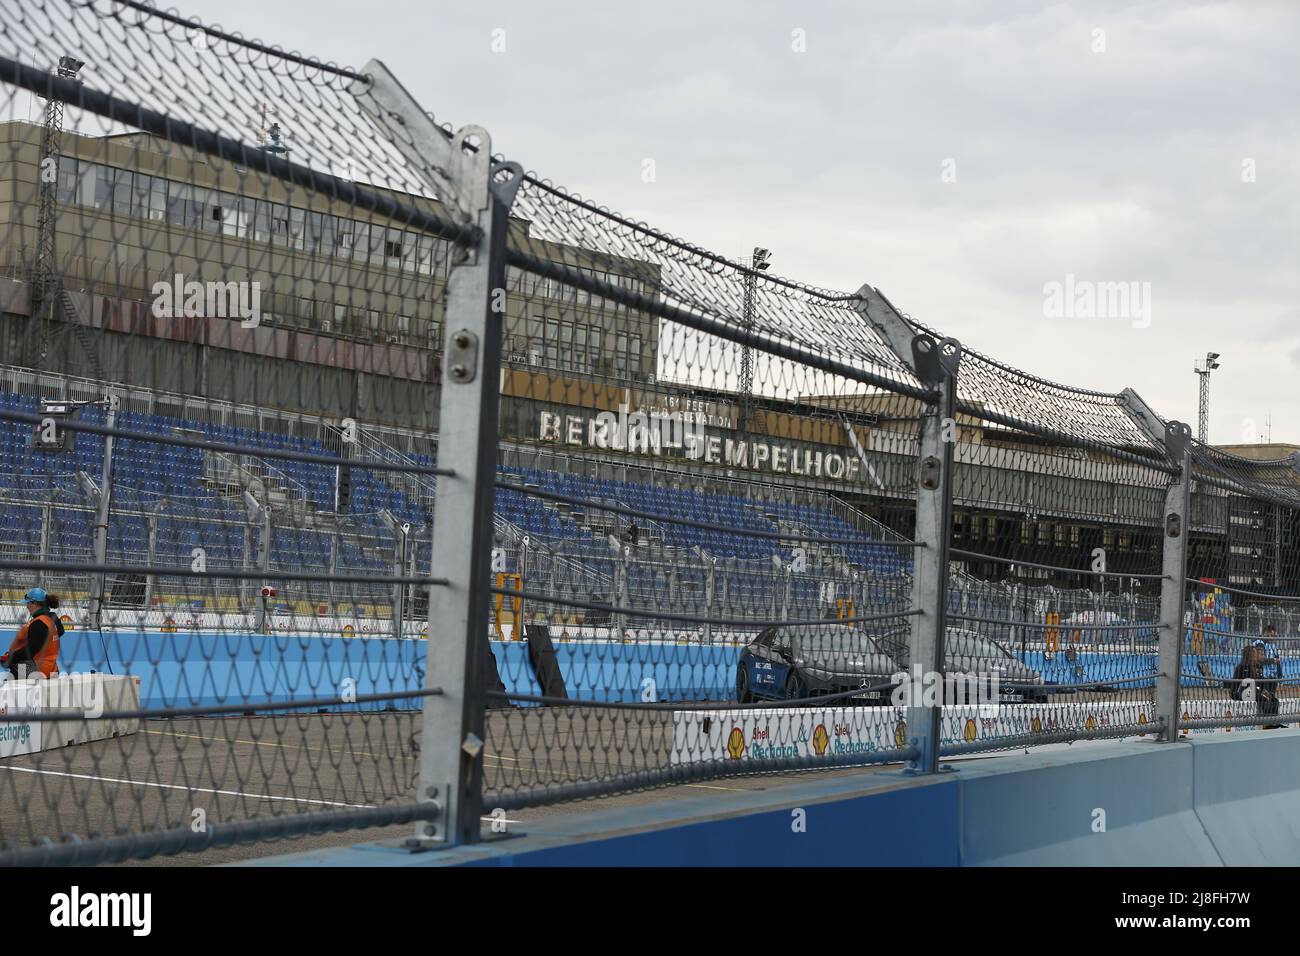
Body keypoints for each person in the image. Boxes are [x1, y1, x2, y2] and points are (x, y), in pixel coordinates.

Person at [2, 587, 64, 680]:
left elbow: (30, 651)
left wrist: (10, 657)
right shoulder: (52, 618)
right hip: (51, 668)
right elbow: (60, 632)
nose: (27, 606)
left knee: (12, 671)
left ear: (34, 603)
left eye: (28, 603)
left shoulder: (39, 623)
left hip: (37, 671)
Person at [1229, 640, 1281, 729]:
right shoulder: (1242, 667)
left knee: (1274, 700)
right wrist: (1261, 693)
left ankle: (1273, 722)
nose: (1255, 656)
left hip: (1252, 691)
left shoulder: (1257, 666)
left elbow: (1259, 682)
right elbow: (1241, 686)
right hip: (1242, 693)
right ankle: (1267, 724)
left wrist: (1266, 691)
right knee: (1263, 699)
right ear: (1249, 655)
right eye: (1254, 654)